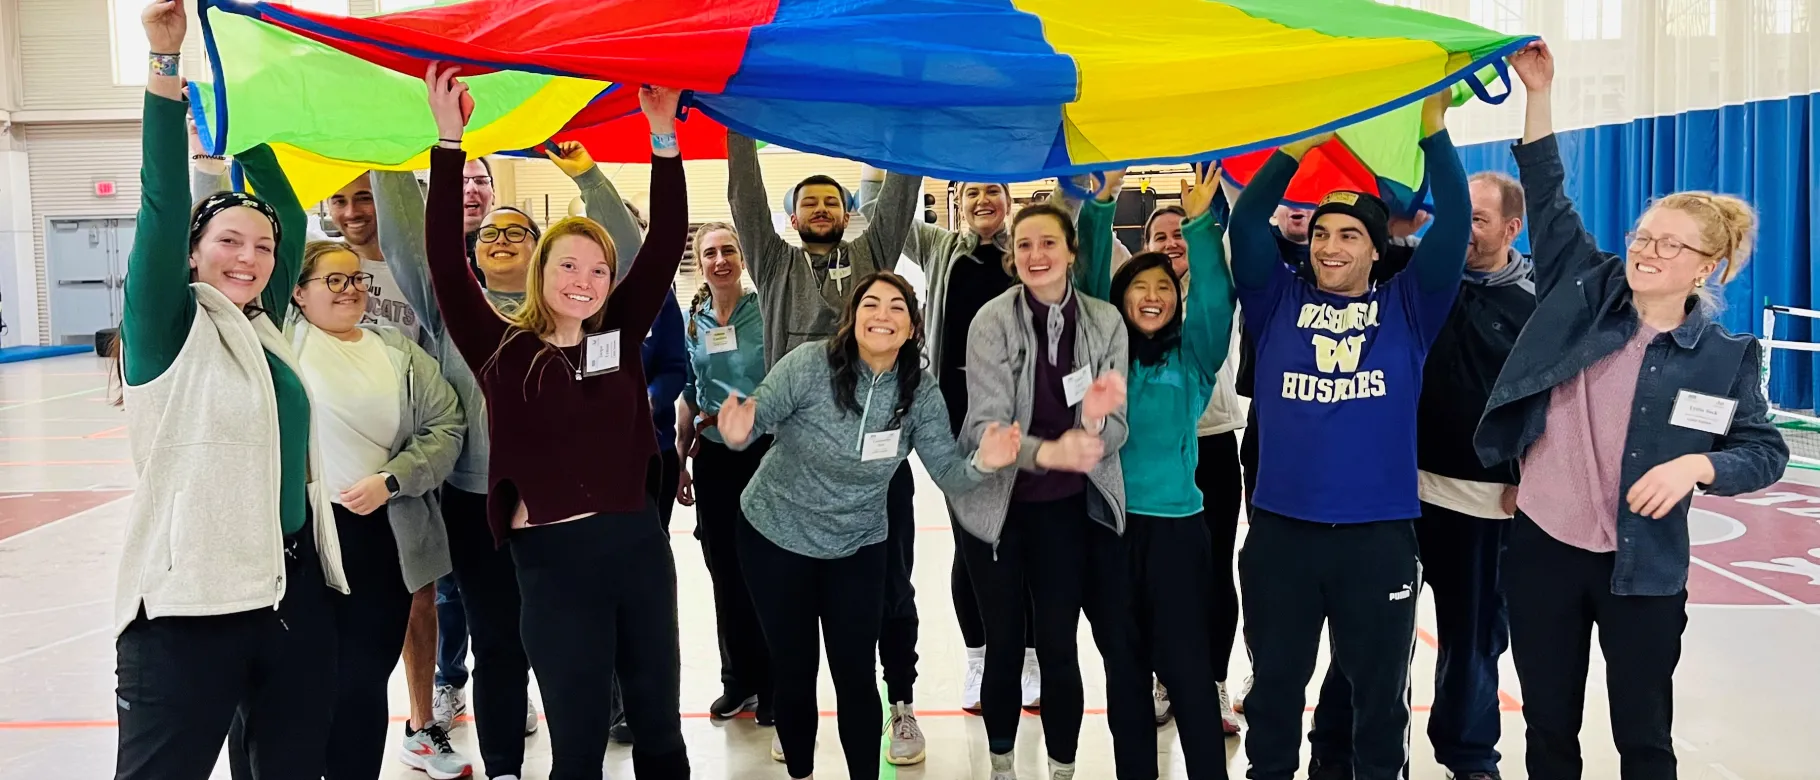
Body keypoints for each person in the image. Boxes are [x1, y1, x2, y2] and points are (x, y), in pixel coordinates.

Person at [1476, 41, 1789, 780]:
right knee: (1549, 724)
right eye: (1643, 236)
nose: (1648, 251)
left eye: (1671, 245)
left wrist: (1699, 464)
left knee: (1643, 735)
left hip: (1643, 570)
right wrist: (1540, 95)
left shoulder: (1725, 355)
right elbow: (1548, 196)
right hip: (1546, 548)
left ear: (1708, 265)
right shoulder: (1583, 290)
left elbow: (1765, 449)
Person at [419, 65, 691, 779]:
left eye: (598, 269)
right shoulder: (501, 349)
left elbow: (662, 244)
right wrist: (449, 142)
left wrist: (663, 139)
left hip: (636, 548)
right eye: (568, 263)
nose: (584, 279)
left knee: (660, 729)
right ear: (542, 271)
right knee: (578, 743)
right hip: (554, 568)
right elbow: (447, 263)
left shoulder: (621, 335)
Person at [111, 3, 348, 778]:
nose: (249, 257)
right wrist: (168, 62)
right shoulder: (165, 325)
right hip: (188, 611)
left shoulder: (265, 326)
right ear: (191, 253)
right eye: (228, 242)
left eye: (263, 247)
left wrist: (241, 111)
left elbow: (283, 208)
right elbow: (159, 200)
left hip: (287, 595)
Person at [375, 137, 642, 778]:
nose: (501, 238)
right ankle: (501, 767)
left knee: (570, 646)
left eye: (519, 232)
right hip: (477, 506)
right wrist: (386, 147)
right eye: (490, 232)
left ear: (542, 258)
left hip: (567, 512)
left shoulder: (570, 319)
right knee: (498, 645)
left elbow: (627, 251)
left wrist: (582, 169)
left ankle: (579, 762)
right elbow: (409, 240)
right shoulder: (452, 313)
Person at [1228, 87, 1468, 780]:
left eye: (1350, 234)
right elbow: (1247, 225)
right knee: (1273, 693)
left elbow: (1453, 221)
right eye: (1322, 231)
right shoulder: (1276, 300)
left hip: (1378, 538)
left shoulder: (1409, 308)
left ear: (1376, 247)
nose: (1331, 246)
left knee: (1380, 705)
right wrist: (1298, 148)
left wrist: (1432, 129)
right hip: (1281, 535)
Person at [715, 271, 1022, 780]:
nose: (883, 315)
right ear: (853, 318)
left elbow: (949, 473)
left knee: (855, 674)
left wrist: (984, 463)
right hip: (775, 536)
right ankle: (802, 773)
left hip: (857, 544)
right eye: (871, 304)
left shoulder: (919, 392)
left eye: (897, 307)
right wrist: (739, 428)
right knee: (793, 670)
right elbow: (757, 415)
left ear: (912, 327)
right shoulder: (810, 365)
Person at [1303, 171, 1536, 780]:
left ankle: (1470, 755)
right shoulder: (1410, 275)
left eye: (1479, 221)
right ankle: (1335, 743)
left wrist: (1532, 470)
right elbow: (1310, 247)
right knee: (1367, 634)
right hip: (1395, 496)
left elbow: (1554, 397)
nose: (1462, 232)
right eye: (1457, 219)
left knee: (1475, 637)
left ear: (1513, 229)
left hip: (1485, 504)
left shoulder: (1538, 300)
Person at [726, 131, 932, 763]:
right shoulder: (775, 263)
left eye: (831, 202)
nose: (820, 211)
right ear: (794, 219)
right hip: (797, 470)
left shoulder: (871, 256)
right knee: (793, 622)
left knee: (892, 589)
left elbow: (900, 195)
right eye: (809, 204)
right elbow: (744, 200)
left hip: (877, 470)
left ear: (847, 213)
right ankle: (797, 721)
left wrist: (909, 121)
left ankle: (900, 704)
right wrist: (740, 122)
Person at [951, 201, 1156, 780]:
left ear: (1071, 252)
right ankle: (1001, 767)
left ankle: (1062, 769)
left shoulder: (1104, 323)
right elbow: (988, 426)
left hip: (1065, 512)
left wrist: (1090, 425)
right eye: (1024, 246)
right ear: (1013, 258)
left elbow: (1116, 427)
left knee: (1059, 645)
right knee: (1005, 643)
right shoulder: (990, 321)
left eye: (1047, 243)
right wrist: (1047, 452)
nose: (1035, 255)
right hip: (996, 509)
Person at [857, 175, 1050, 713]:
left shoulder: (1027, 248)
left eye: (993, 191)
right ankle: (980, 657)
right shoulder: (941, 248)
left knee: (1022, 540)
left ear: (1009, 202)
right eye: (972, 194)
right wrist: (900, 146)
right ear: (956, 205)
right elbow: (876, 207)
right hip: (958, 419)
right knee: (972, 544)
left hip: (1022, 415)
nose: (983, 200)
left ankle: (1029, 658)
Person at [283, 241, 466, 780]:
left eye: (357, 280)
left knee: (363, 680)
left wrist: (392, 479)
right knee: (304, 679)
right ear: (298, 292)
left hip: (381, 535)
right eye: (333, 281)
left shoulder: (400, 354)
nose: (350, 290)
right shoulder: (281, 346)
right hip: (303, 538)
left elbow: (446, 425)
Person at [1078, 164, 1238, 777]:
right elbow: (1090, 277)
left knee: (1189, 672)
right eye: (1139, 287)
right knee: (1125, 672)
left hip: (1176, 532)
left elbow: (1216, 301)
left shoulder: (1193, 356)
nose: (1152, 294)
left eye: (1164, 288)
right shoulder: (1102, 348)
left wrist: (1200, 223)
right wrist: (1102, 203)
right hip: (1111, 531)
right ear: (1120, 301)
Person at [675, 222, 776, 724]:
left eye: (729, 250)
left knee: (768, 570)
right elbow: (692, 390)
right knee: (724, 571)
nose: (720, 260)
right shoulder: (695, 320)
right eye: (709, 252)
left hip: (763, 454)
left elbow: (782, 381)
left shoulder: (766, 311)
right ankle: (738, 680)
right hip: (712, 455)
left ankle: (775, 684)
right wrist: (681, 459)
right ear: (699, 261)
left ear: (742, 256)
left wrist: (747, 412)